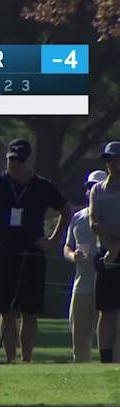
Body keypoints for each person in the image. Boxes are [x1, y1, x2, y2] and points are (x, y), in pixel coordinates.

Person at [0, 138, 73, 362]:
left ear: (27, 162)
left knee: (29, 311)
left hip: (32, 255)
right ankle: (10, 359)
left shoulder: (42, 186)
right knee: (5, 311)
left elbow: (66, 209)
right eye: (11, 159)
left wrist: (53, 239)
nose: (14, 164)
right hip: (3, 254)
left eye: (18, 161)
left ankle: (26, 358)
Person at [64, 170, 107, 362]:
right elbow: (67, 246)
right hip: (82, 286)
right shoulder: (77, 218)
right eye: (90, 187)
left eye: (96, 187)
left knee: (110, 339)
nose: (92, 191)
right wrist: (73, 256)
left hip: (107, 286)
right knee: (80, 339)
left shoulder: (112, 215)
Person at [89, 141, 120, 363]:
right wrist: (111, 245)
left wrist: (116, 247)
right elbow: (94, 224)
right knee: (105, 311)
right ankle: (105, 360)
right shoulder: (97, 190)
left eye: (115, 159)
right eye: (109, 159)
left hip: (114, 251)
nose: (111, 163)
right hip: (104, 253)